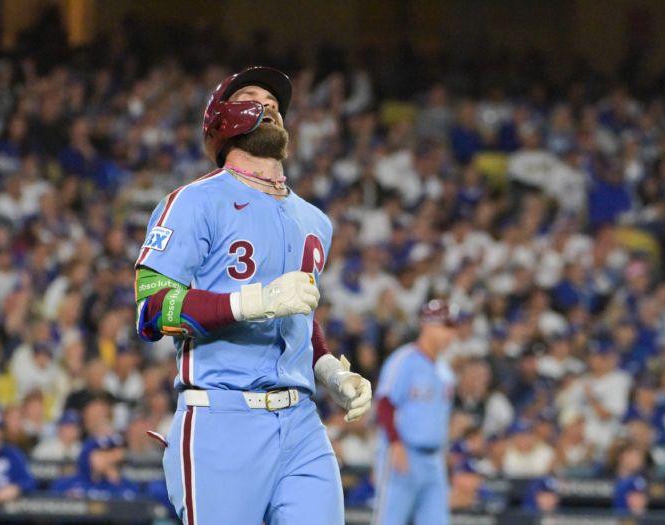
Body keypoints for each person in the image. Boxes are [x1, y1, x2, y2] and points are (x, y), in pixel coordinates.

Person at [133, 67, 372, 525]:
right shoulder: (193, 201)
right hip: (222, 416)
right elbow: (151, 309)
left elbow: (295, 313)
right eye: (250, 96)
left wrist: (327, 370)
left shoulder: (314, 219)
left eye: (274, 100)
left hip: (302, 421)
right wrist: (250, 303)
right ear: (221, 119)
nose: (268, 103)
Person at [372, 300, 462, 525]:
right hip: (404, 454)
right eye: (445, 326)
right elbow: (384, 404)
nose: (450, 334)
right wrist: (394, 444)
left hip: (434, 461)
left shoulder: (445, 371)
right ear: (427, 326)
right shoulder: (404, 360)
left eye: (452, 327)